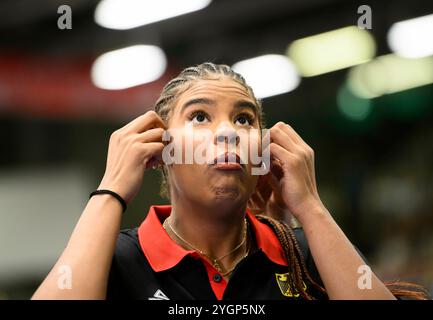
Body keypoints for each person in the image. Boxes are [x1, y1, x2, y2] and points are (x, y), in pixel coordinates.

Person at [32, 63, 428, 300]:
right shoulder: (116, 261)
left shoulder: (304, 255)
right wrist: (112, 188)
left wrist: (310, 206)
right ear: (161, 149)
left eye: (243, 119)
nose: (228, 133)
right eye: (200, 116)